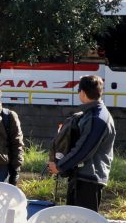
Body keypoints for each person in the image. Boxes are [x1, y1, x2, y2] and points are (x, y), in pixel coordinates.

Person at [48, 75, 116, 212]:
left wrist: (59, 166)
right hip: (83, 177)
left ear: (83, 93)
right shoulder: (92, 114)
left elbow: (83, 150)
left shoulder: (97, 118)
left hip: (89, 179)